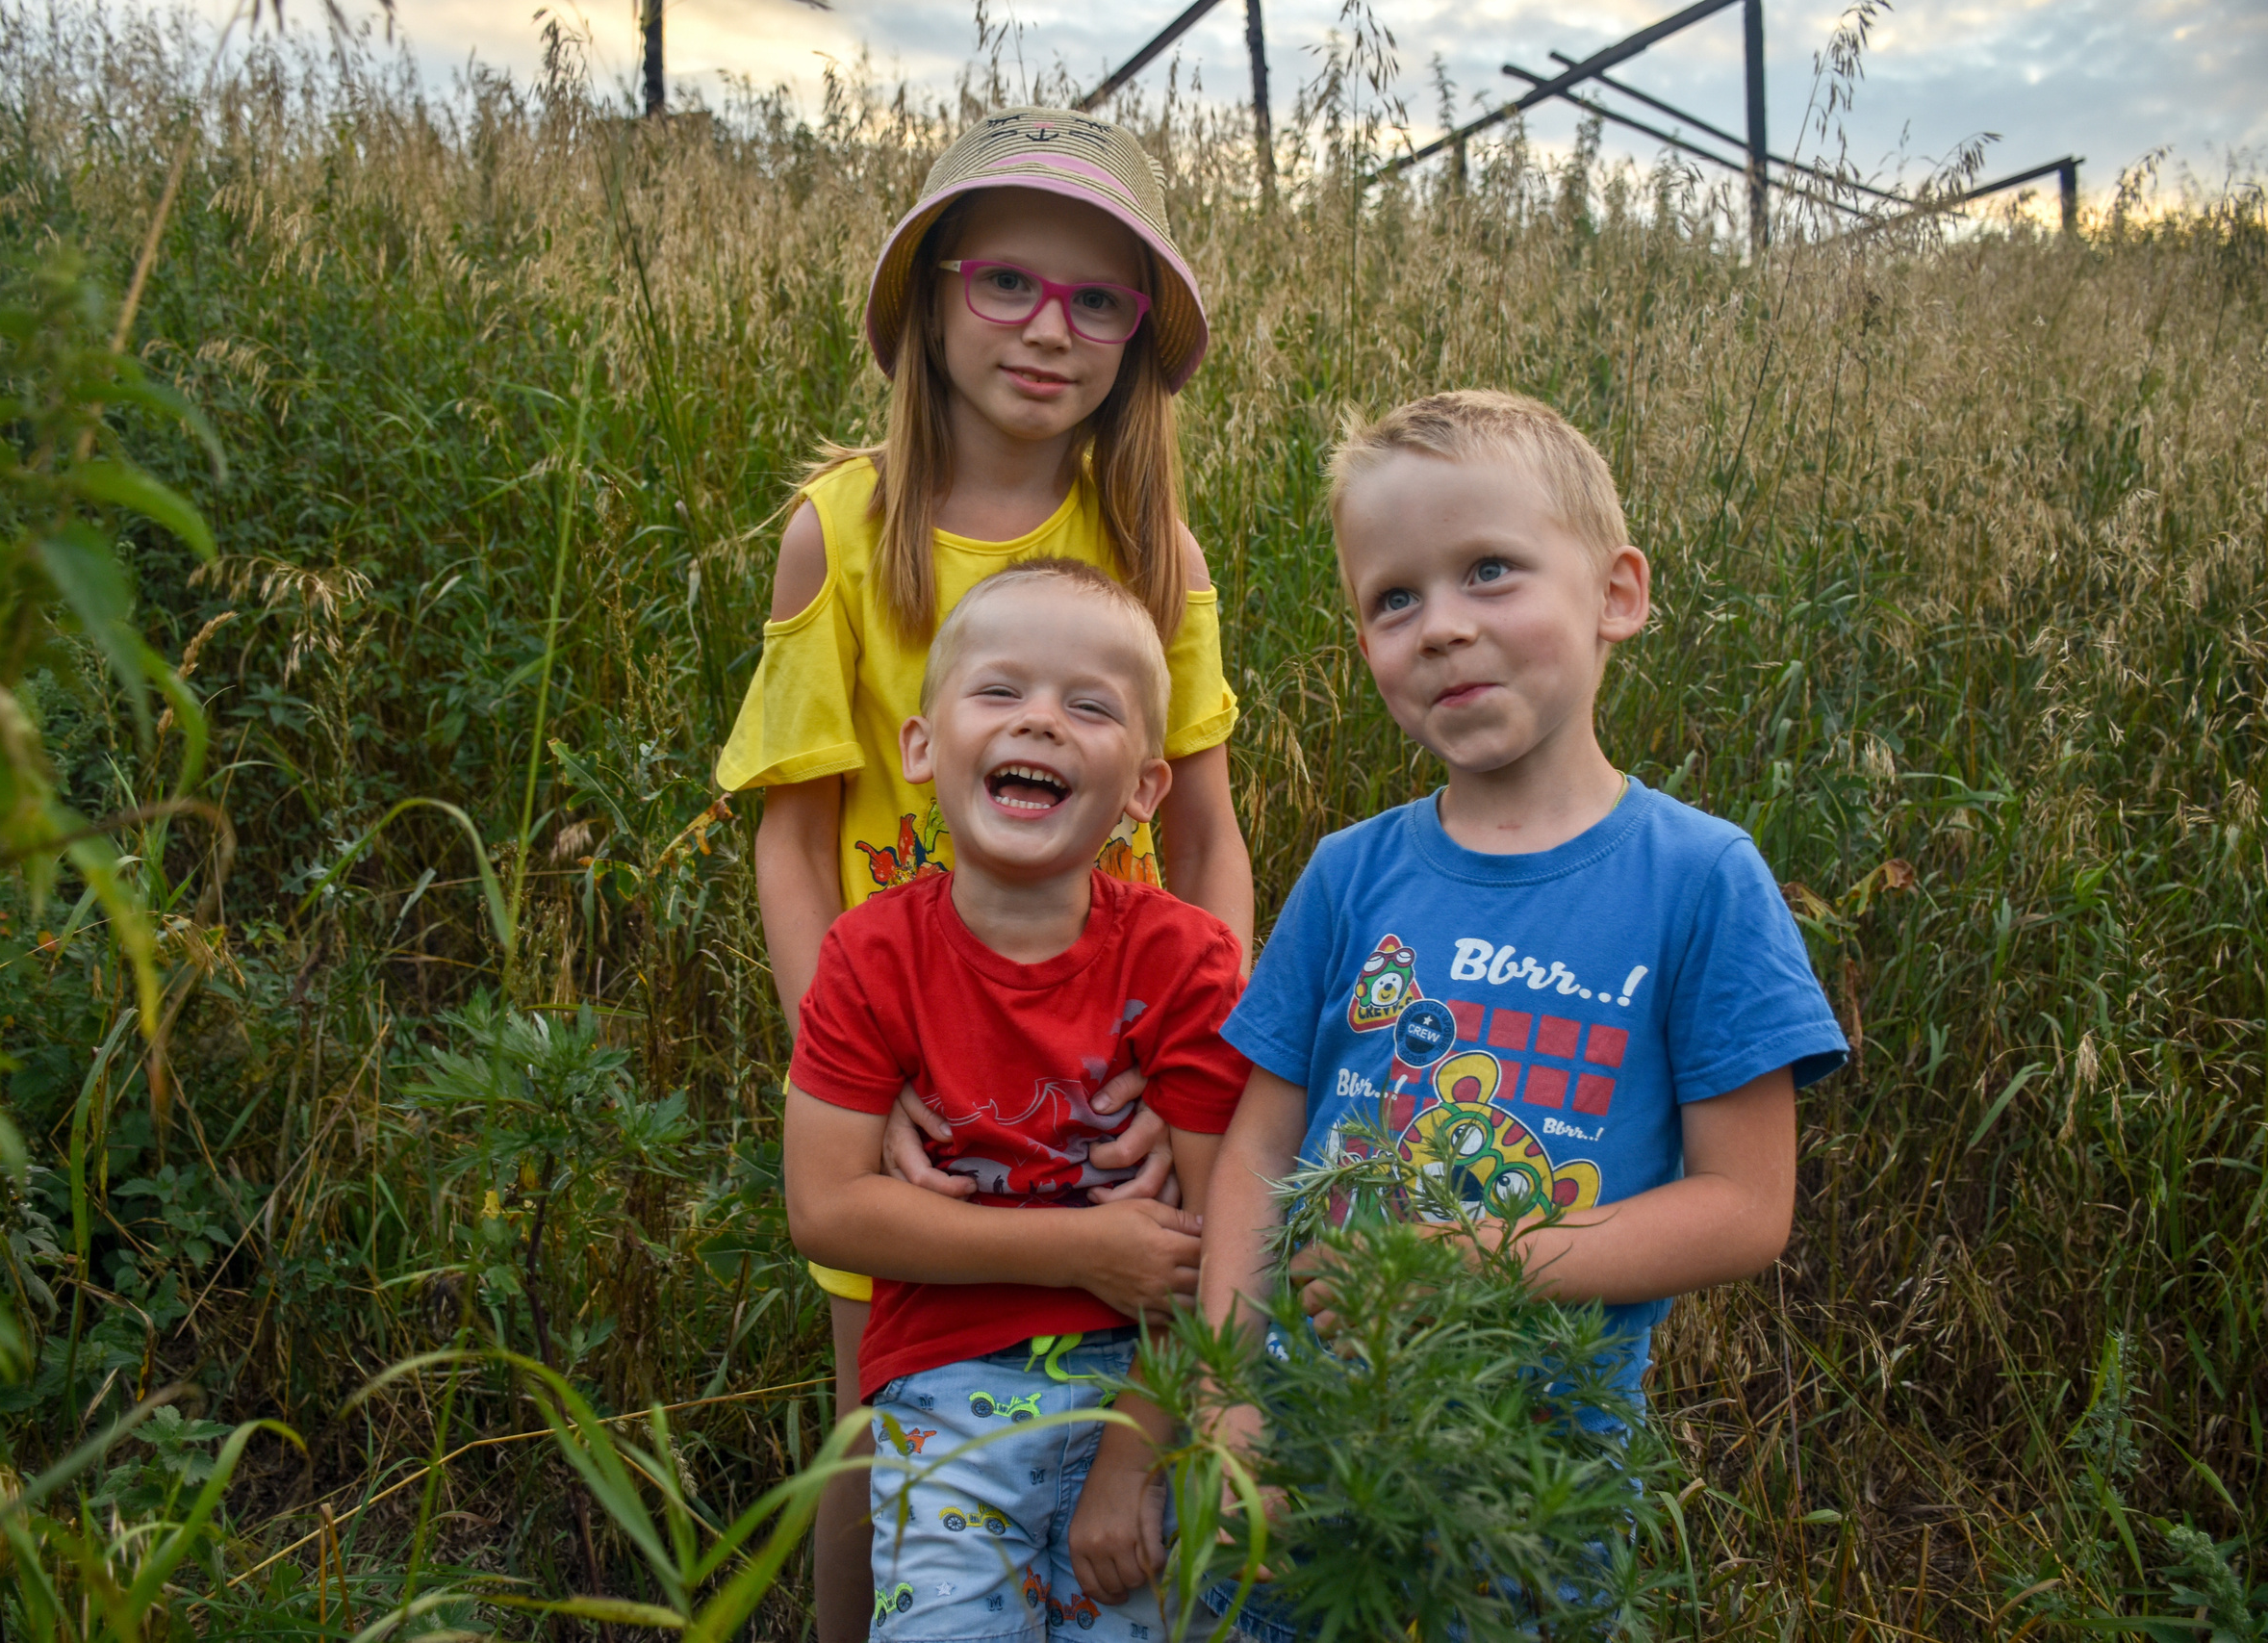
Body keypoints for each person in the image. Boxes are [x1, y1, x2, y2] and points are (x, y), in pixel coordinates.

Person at [715, 108, 1254, 1643]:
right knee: (880, 1419)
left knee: (1122, 1384)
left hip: (1114, 1046)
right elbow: (796, 835)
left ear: (1138, 337)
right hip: (907, 1056)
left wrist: (1202, 1076)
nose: (1048, 329)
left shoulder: (1158, 548)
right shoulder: (841, 531)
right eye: (1009, 281)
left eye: (1099, 300)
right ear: (937, 292)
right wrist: (862, 1074)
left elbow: (1206, 831)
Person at [1197, 390, 1849, 1637]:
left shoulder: (1701, 880)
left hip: (1524, 1494)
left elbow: (1745, 1206)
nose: (1440, 627)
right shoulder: (1349, 872)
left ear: (1617, 592)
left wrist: (1475, 1262)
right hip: (1297, 1466)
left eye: (1489, 570)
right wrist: (1231, 1407)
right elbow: (1259, 1147)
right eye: (1393, 599)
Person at [783, 559, 1251, 1641]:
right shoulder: (869, 955)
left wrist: (1136, 1444)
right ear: (919, 747)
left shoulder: (1186, 963)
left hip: (1142, 1387)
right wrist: (1082, 1252)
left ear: (1142, 788)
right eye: (999, 693)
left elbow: (1231, 1230)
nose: (1039, 722)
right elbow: (829, 1209)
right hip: (943, 1403)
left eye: (1087, 706)